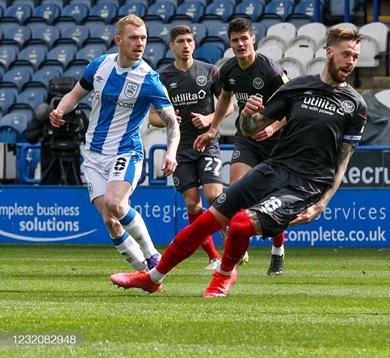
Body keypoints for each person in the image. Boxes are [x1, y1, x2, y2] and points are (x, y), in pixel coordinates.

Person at [111, 27, 368, 297]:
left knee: (242, 224)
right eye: (346, 54)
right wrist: (246, 114)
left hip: (305, 184)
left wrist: (322, 203)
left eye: (355, 56)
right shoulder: (298, 87)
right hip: (273, 169)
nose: (350, 62)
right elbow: (249, 128)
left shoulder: (355, 105)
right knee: (205, 222)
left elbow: (344, 159)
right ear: (329, 52)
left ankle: (224, 274)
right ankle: (153, 278)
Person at [49, 15, 180, 271]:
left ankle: (153, 255)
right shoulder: (100, 65)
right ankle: (145, 274)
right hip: (94, 155)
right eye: (133, 37)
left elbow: (171, 122)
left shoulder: (149, 79)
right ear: (119, 40)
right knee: (110, 220)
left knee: (116, 204)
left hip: (126, 151)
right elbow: (75, 95)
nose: (140, 43)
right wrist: (59, 111)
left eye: (143, 38)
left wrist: (171, 152)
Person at [193, 17, 290, 275]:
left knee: (273, 200)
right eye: (234, 40)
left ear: (253, 39)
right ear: (230, 42)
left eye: (243, 38)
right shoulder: (229, 71)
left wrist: (272, 127)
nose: (239, 44)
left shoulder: (270, 70)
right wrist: (212, 129)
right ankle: (237, 247)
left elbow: (295, 105)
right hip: (247, 137)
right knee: (237, 190)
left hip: (276, 143)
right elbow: (225, 98)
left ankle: (277, 252)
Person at [148, 25, 233, 271]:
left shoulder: (209, 71)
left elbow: (228, 106)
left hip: (207, 143)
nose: (186, 45)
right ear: (171, 46)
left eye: (189, 41)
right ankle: (214, 257)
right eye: (180, 41)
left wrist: (209, 120)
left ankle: (233, 246)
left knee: (214, 196)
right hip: (181, 148)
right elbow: (153, 117)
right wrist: (167, 117)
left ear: (194, 44)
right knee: (193, 204)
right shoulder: (163, 78)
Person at [24, 76, 88, 185]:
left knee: (73, 192)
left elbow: (88, 136)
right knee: (48, 194)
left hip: (72, 159)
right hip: (50, 158)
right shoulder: (45, 114)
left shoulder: (78, 115)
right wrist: (45, 130)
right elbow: (29, 136)